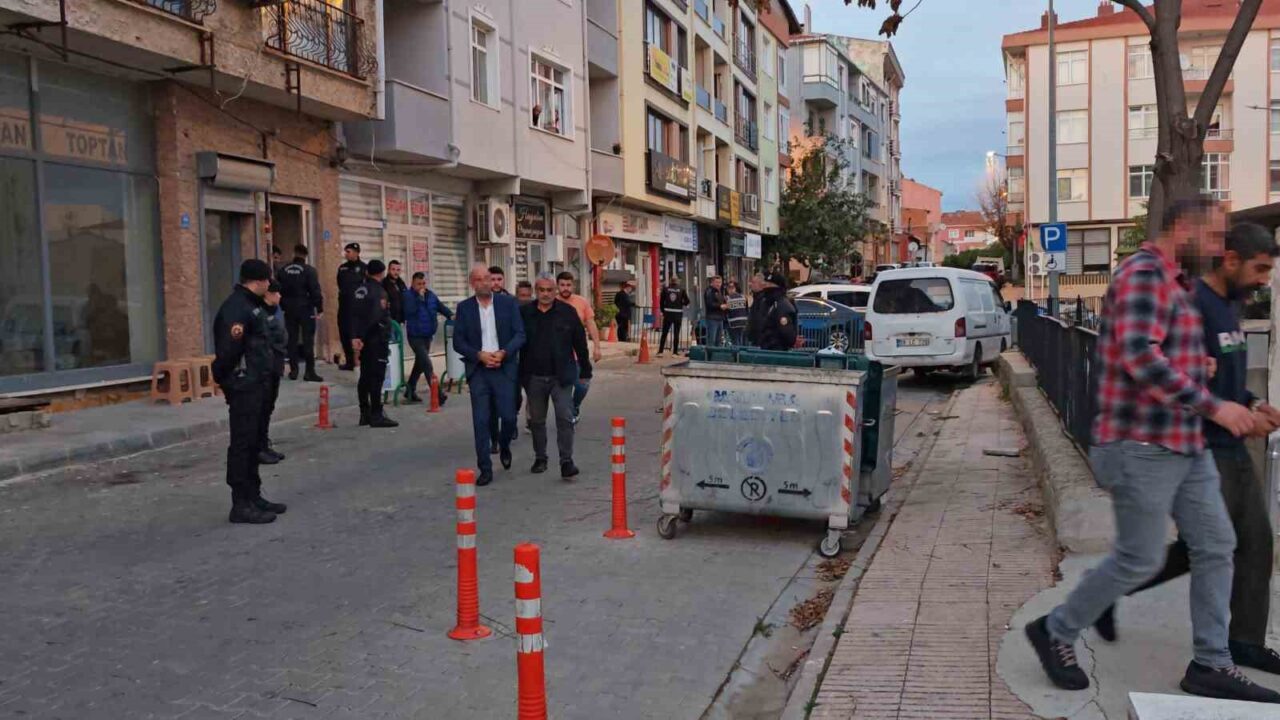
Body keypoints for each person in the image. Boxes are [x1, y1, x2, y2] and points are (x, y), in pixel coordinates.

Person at [1024, 199, 1280, 704]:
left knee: (1216, 545)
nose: (1215, 249)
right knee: (1138, 558)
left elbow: (1171, 354)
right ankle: (1056, 628)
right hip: (1141, 443)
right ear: (1183, 229)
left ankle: (1211, 663)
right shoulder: (1142, 274)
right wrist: (1215, 406)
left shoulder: (1179, 283)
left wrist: (1207, 374)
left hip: (1183, 441)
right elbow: (1140, 355)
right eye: (1210, 238)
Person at [1096, 222, 1280, 673]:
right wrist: (1228, 412)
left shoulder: (1228, 305)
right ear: (1231, 259)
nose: (1264, 280)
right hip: (1198, 446)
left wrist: (1254, 403)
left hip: (1231, 444)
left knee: (1253, 543)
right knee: (1212, 545)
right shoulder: (1191, 304)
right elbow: (1174, 381)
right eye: (1259, 268)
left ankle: (1244, 641)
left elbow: (1224, 376)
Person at [211, 259, 285, 524]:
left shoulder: (252, 306)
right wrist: (230, 384)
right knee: (243, 445)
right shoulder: (237, 308)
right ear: (261, 281)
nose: (269, 284)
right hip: (245, 388)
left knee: (254, 443)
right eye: (267, 280)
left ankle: (254, 495)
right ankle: (240, 504)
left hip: (258, 385)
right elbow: (227, 355)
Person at [454, 264, 525, 486]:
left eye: (487, 278)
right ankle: (484, 467)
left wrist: (504, 353)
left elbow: (520, 334)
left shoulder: (508, 304)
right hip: (479, 371)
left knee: (510, 417)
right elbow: (458, 342)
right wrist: (479, 355)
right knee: (481, 420)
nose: (484, 283)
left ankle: (504, 445)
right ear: (472, 283)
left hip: (503, 368)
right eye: (479, 279)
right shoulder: (464, 308)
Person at [520, 274, 592, 479]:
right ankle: (540, 457)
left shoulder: (567, 313)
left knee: (564, 418)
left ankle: (566, 461)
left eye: (549, 290)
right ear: (536, 291)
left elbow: (580, 343)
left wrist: (585, 370)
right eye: (541, 290)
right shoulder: (525, 313)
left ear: (555, 291)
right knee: (537, 420)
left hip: (561, 377)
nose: (545, 294)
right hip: (534, 377)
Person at [349, 260, 398, 428]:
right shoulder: (379, 291)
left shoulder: (359, 290)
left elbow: (353, 314)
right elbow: (375, 316)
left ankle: (364, 413)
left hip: (363, 341)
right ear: (382, 273)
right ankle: (376, 414)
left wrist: (356, 336)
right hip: (376, 339)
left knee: (365, 376)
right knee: (376, 378)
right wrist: (363, 336)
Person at [556, 271, 602, 424]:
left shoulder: (581, 302)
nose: (565, 288)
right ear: (558, 286)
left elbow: (590, 324)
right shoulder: (552, 302)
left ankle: (575, 406)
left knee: (583, 385)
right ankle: (568, 415)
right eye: (562, 285)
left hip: (578, 356)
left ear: (573, 285)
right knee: (565, 389)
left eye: (568, 285)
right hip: (559, 356)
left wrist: (597, 346)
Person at [402, 271, 453, 406]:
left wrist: (451, 315)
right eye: (419, 284)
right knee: (427, 364)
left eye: (423, 283)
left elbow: (440, 307)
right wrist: (419, 298)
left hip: (428, 335)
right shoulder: (408, 296)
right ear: (413, 283)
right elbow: (409, 311)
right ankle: (438, 394)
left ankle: (410, 389)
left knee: (420, 364)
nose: (422, 286)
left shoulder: (430, 295)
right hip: (415, 335)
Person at [277, 244, 324, 382]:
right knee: (308, 339)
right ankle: (310, 372)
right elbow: (315, 291)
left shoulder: (283, 270)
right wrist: (319, 308)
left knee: (292, 339)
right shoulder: (309, 270)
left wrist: (283, 305)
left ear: (294, 253)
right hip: (305, 308)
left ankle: (293, 370)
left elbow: (278, 289)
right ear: (306, 255)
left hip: (289, 309)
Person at [258, 281, 288, 465]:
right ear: (268, 294)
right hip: (266, 364)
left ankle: (264, 444)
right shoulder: (260, 314)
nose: (280, 296)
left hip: (276, 362)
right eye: (276, 293)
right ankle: (258, 447)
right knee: (261, 407)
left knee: (269, 407)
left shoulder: (275, 311)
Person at [746, 272, 797, 351]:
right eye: (766, 285)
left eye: (769, 285)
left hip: (777, 351)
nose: (766, 288)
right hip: (764, 348)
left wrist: (772, 341)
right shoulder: (766, 303)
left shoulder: (782, 305)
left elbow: (788, 335)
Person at [336, 243, 367, 370]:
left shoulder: (364, 268)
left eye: (348, 251)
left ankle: (362, 360)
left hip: (358, 306)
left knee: (359, 333)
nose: (346, 254)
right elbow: (339, 283)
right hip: (344, 305)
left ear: (356, 252)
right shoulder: (342, 268)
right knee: (344, 333)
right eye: (345, 251)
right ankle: (350, 362)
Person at [657, 277, 690, 356]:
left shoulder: (665, 289)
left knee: (664, 333)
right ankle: (675, 352)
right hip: (678, 314)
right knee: (676, 333)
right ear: (677, 282)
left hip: (668, 313)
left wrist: (663, 311)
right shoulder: (682, 290)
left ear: (670, 282)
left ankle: (660, 351)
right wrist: (681, 303)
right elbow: (687, 301)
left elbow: (661, 302)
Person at [703, 275, 727, 346]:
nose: (718, 284)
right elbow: (709, 304)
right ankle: (709, 356)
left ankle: (716, 356)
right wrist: (720, 306)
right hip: (712, 318)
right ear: (712, 282)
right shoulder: (709, 291)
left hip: (720, 318)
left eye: (720, 282)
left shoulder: (719, 291)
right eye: (716, 282)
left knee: (718, 340)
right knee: (711, 340)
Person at [383, 260, 407, 324]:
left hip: (400, 321)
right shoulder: (383, 284)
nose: (396, 272)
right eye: (393, 269)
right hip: (389, 321)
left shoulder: (402, 284)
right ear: (388, 270)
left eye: (398, 270)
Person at [726, 280, 749, 346]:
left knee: (735, 340)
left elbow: (726, 311)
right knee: (741, 339)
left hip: (733, 322)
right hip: (743, 322)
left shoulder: (727, 298)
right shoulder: (743, 297)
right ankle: (741, 354)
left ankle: (737, 355)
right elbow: (747, 309)